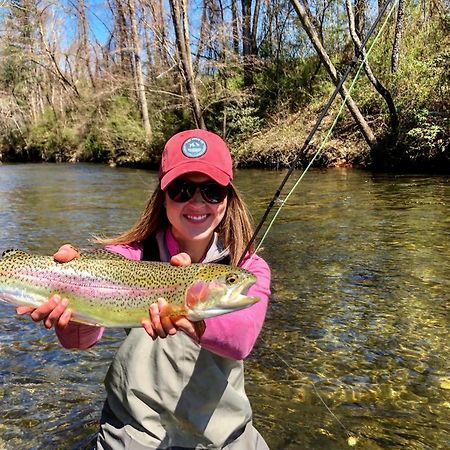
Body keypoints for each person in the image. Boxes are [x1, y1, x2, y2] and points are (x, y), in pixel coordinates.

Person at [17, 129, 271, 450]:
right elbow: (82, 340)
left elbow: (240, 341)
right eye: (181, 189)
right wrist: (71, 313)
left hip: (222, 434)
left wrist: (191, 319)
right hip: (136, 430)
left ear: (227, 198)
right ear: (162, 197)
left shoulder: (247, 268)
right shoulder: (128, 257)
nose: (196, 201)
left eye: (211, 191)